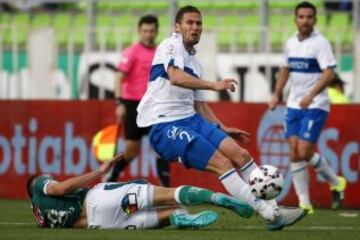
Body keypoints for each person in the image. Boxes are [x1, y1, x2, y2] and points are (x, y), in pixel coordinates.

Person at [136, 5, 306, 231]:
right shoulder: (170, 45)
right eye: (189, 22)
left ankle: (274, 208)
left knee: (241, 154)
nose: (195, 27)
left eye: (198, 23)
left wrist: (221, 126)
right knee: (223, 163)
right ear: (177, 27)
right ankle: (269, 214)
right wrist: (214, 85)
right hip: (164, 124)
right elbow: (175, 77)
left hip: (191, 119)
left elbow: (199, 104)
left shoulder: (195, 62)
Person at [26, 154, 254, 229]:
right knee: (169, 194)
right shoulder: (39, 184)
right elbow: (63, 188)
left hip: (104, 224)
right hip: (100, 199)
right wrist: (99, 170)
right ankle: (216, 197)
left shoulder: (42, 219)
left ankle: (181, 218)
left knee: (168, 213)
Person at [268, 1, 347, 214]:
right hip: (294, 104)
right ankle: (305, 203)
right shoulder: (291, 43)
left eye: (309, 17)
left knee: (303, 150)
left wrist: (311, 95)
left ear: (315, 20)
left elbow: (329, 73)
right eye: (301, 17)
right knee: (295, 153)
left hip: (316, 104)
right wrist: (276, 94)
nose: (305, 21)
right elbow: (285, 70)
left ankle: (335, 181)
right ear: (295, 20)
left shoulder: (321, 43)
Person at [106, 15, 169, 186]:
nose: (148, 34)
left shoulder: (161, 52)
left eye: (151, 31)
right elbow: (119, 77)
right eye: (145, 31)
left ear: (156, 32)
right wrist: (119, 103)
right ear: (139, 32)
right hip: (133, 105)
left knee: (161, 148)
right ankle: (112, 176)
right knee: (132, 151)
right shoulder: (131, 52)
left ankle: (167, 188)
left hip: (154, 105)